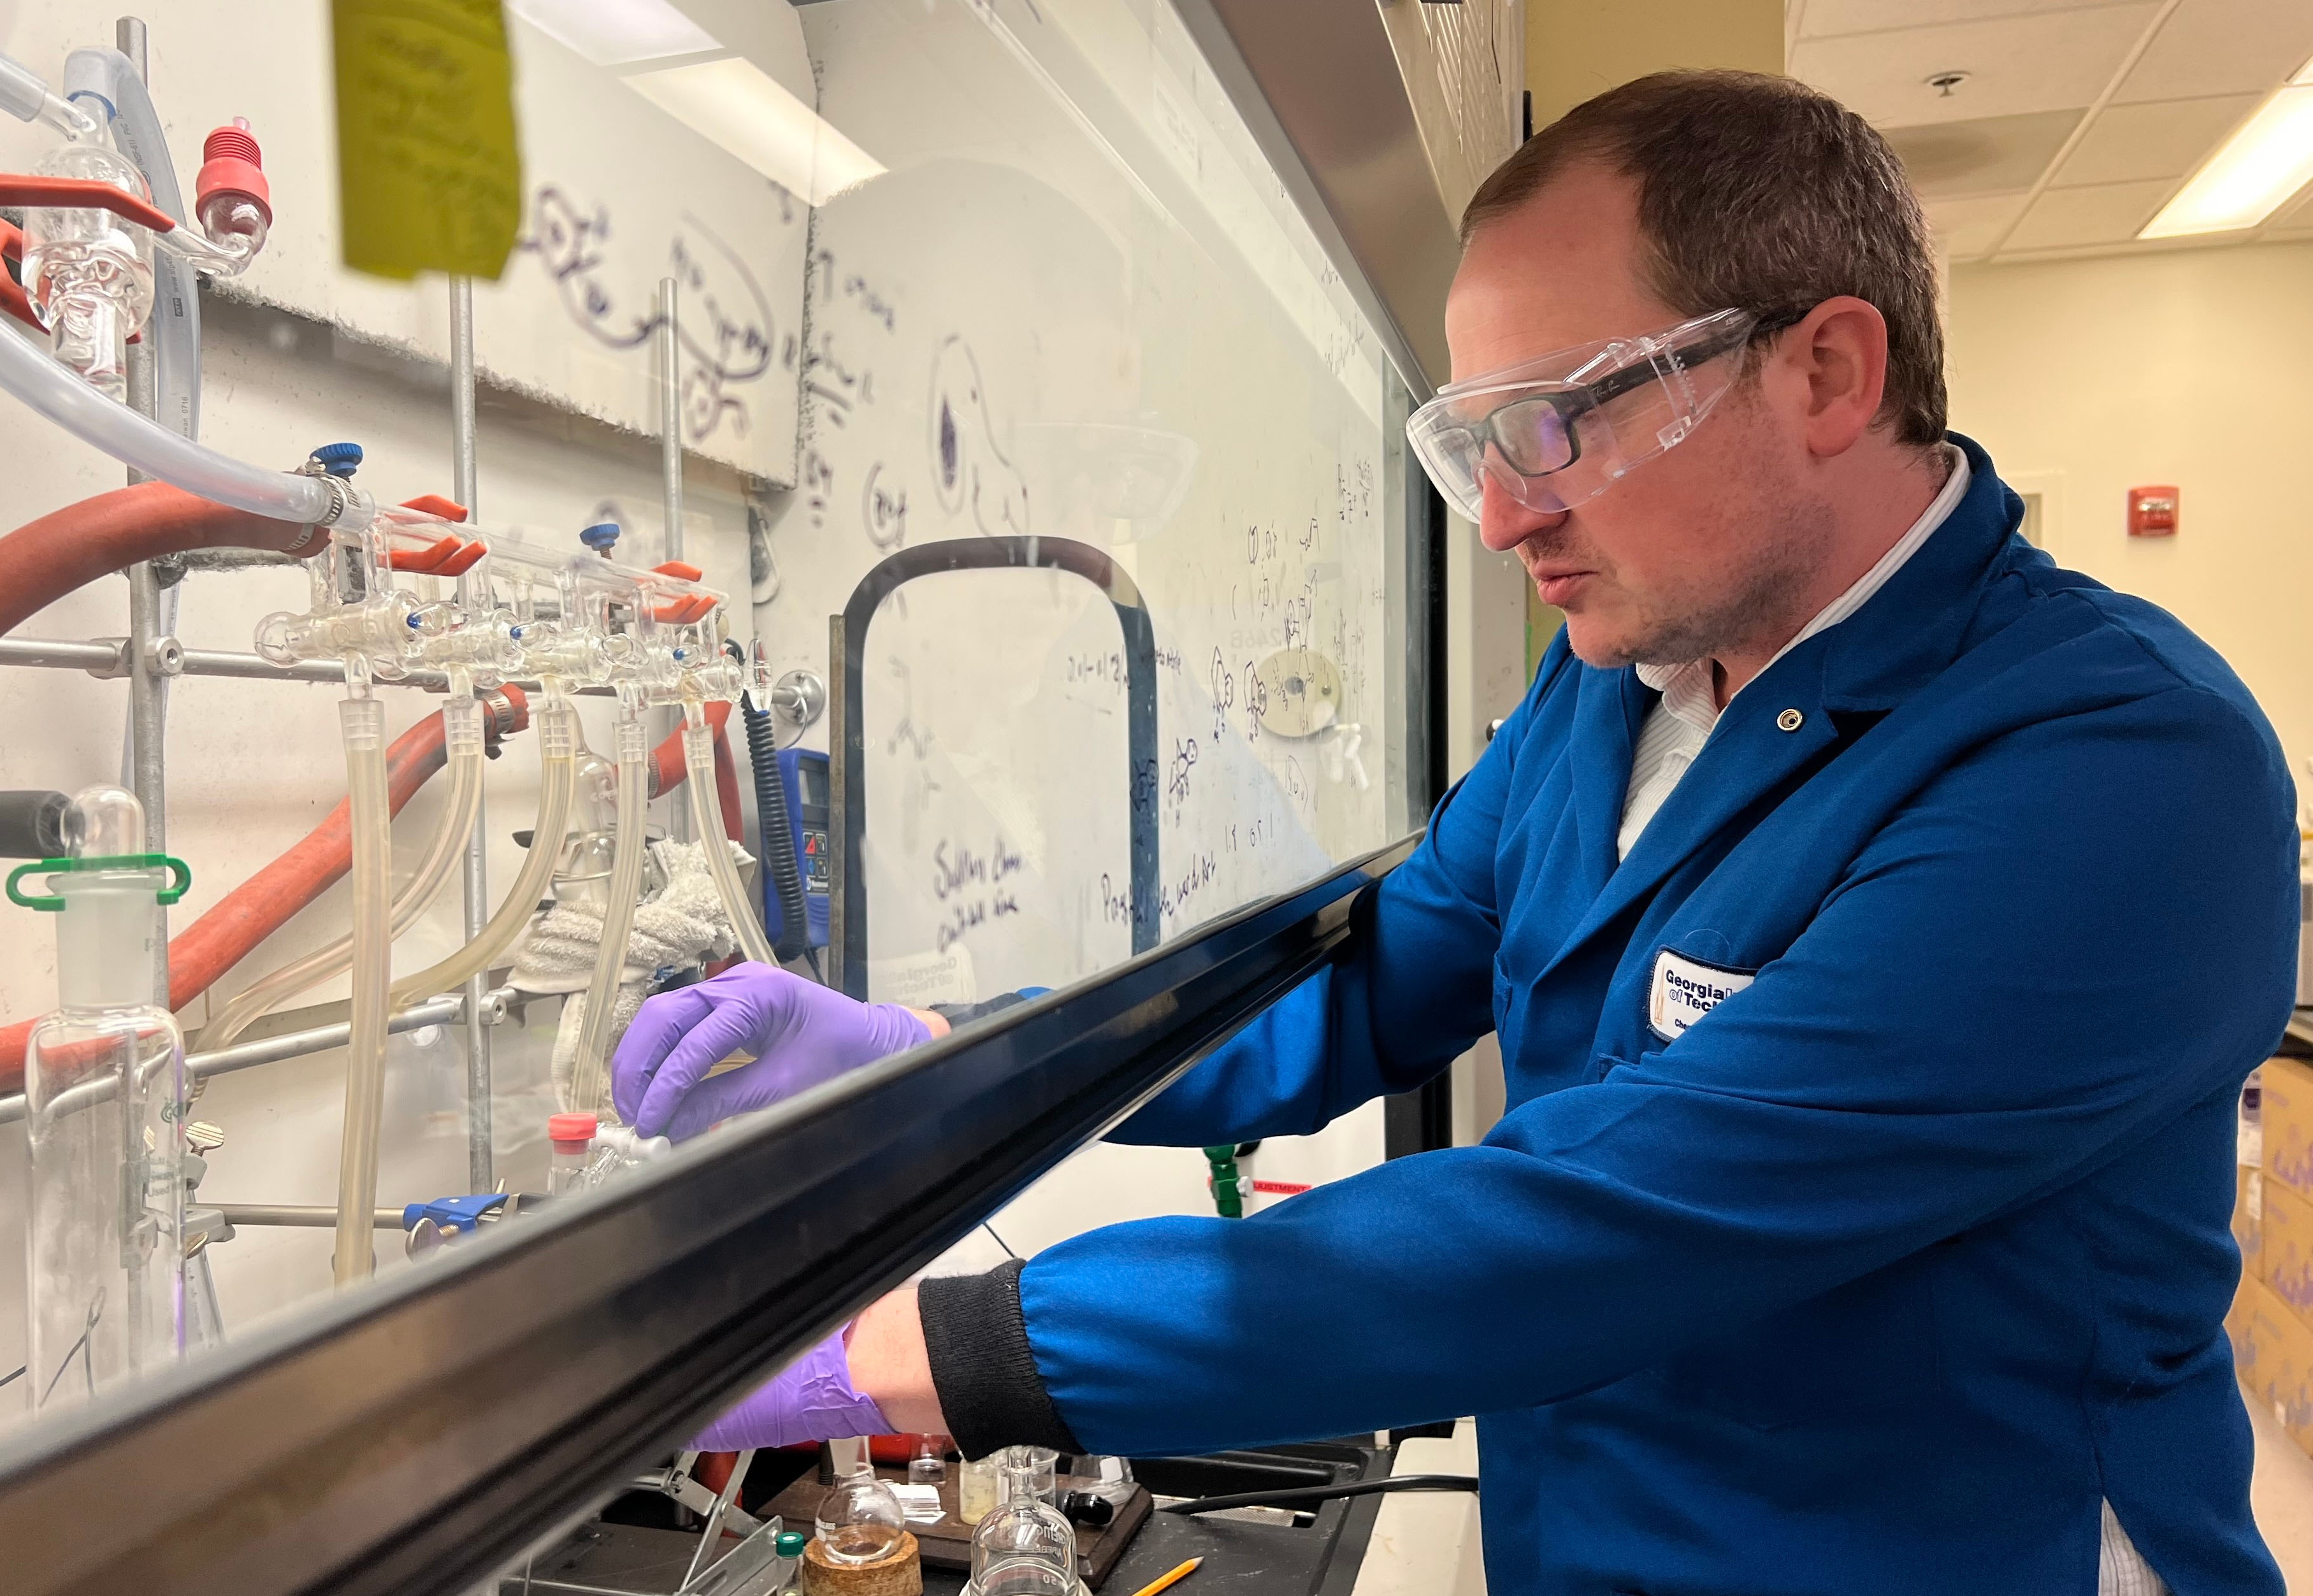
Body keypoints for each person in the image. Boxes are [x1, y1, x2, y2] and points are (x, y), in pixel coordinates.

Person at [612, 71, 2296, 1595]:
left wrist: (914, 1349)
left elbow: (1589, 1224)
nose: (1501, 514)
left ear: (1827, 370)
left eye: (1560, 419)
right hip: (1595, 1541)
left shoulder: (2119, 771)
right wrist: (921, 1060)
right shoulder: (1613, 689)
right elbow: (1352, 999)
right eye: (1473, 442)